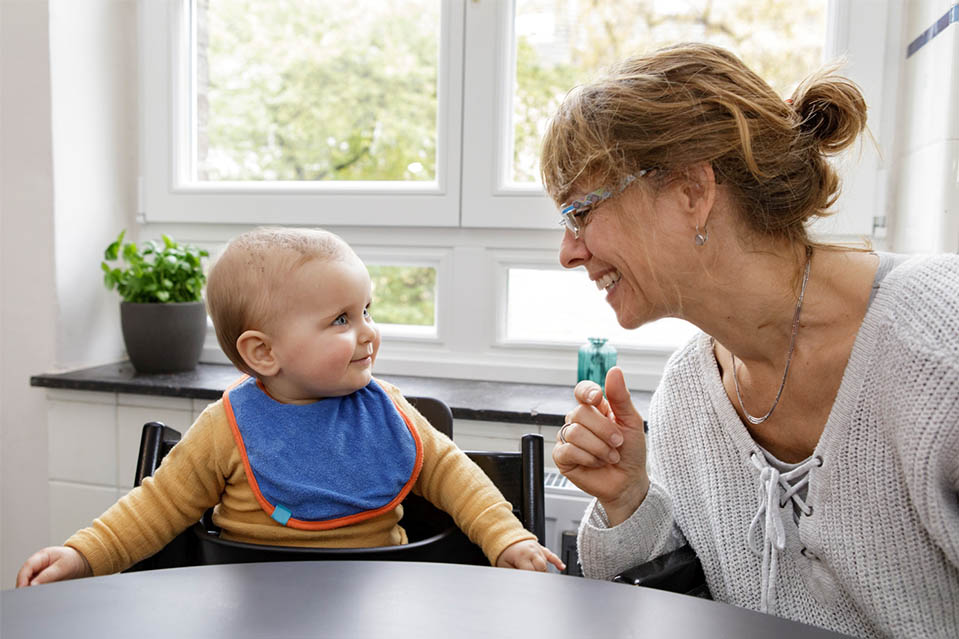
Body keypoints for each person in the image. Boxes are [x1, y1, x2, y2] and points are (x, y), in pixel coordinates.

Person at [542, 43, 958, 638]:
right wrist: (628, 499)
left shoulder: (941, 340)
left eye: (580, 212)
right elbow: (685, 611)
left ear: (691, 190)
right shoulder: (689, 395)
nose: (568, 252)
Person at [18, 227, 562, 587]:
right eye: (341, 320)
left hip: (380, 612)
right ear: (264, 352)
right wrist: (82, 556)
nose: (369, 332)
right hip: (252, 616)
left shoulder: (388, 410)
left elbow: (453, 474)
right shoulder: (226, 429)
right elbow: (154, 507)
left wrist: (507, 537)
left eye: (366, 310)